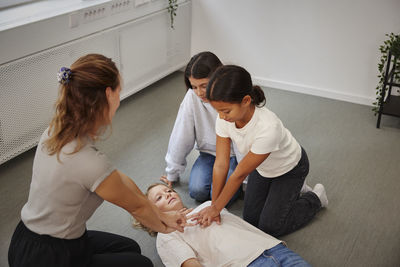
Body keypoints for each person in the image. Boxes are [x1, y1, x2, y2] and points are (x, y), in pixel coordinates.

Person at [8, 54, 188, 267]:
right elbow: (137, 209)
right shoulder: (88, 161)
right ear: (108, 94)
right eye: (119, 90)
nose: (120, 97)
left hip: (30, 238)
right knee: (142, 264)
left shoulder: (55, 130)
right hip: (46, 257)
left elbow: (119, 180)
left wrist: (154, 209)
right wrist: (165, 225)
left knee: (129, 248)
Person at [196, 65, 328, 237]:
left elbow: (239, 174)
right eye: (218, 111)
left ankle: (315, 198)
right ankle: (289, 195)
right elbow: (220, 164)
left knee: (270, 227)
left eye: (226, 111)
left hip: (290, 168)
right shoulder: (224, 119)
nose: (221, 116)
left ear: (245, 101)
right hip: (262, 168)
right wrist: (214, 205)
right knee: (251, 220)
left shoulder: (267, 127)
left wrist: (216, 208)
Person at [135, 183, 312, 267]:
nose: (167, 194)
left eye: (168, 190)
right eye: (159, 198)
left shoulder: (209, 206)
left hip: (271, 247)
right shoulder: (167, 235)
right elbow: (190, 264)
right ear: (152, 211)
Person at [162, 51, 240, 204]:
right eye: (194, 87)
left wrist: (246, 180)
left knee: (221, 197)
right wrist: (172, 172)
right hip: (209, 153)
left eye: (204, 86)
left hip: (236, 156)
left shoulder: (232, 94)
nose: (199, 93)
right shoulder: (192, 97)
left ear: (218, 78)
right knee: (197, 191)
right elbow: (181, 136)